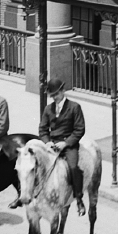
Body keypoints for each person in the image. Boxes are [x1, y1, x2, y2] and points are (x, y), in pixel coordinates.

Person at [39, 76, 87, 207]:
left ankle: (78, 198)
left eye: (57, 94)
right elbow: (43, 129)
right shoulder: (48, 109)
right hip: (52, 144)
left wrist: (66, 143)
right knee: (37, 164)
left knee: (73, 167)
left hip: (69, 145)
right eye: (52, 95)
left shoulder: (74, 107)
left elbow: (80, 129)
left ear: (63, 91)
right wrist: (47, 142)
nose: (55, 97)